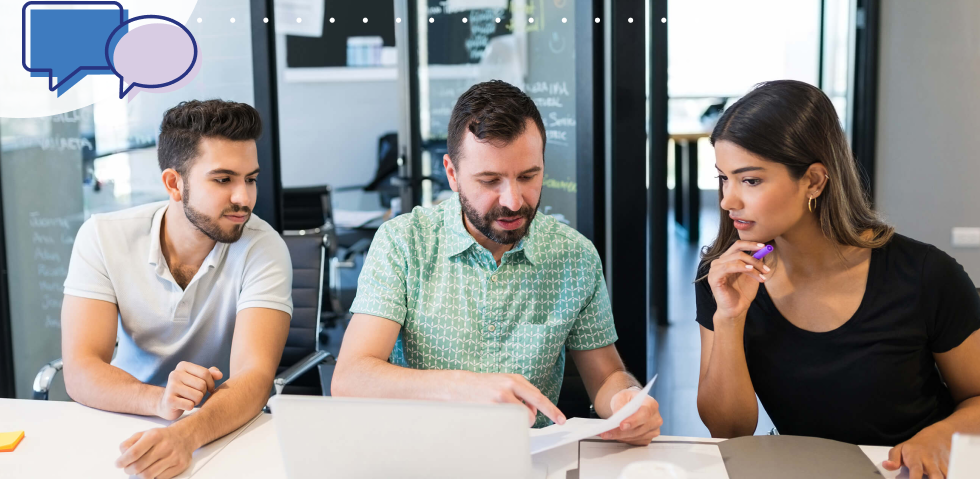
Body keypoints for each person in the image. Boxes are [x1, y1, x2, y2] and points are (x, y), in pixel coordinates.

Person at [331, 80, 663, 444]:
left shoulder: (574, 256)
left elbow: (606, 377)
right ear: (452, 174)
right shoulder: (405, 243)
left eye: (528, 176)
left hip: (532, 458)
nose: (514, 200)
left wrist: (625, 402)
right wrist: (463, 387)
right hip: (420, 452)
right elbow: (351, 378)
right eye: (490, 180)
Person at [695, 80, 980, 479]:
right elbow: (729, 430)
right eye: (722, 178)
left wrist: (941, 435)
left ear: (813, 180)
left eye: (751, 180)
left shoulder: (925, 275)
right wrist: (729, 320)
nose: (727, 200)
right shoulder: (724, 276)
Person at [61, 100, 293, 479]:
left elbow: (254, 378)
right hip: (119, 419)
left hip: (219, 429)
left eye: (250, 178)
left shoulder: (263, 248)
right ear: (174, 183)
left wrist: (186, 434)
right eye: (223, 180)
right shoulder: (103, 236)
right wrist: (160, 401)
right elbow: (81, 368)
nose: (244, 198)